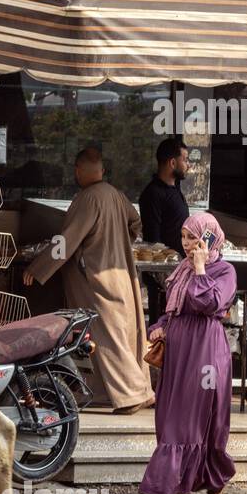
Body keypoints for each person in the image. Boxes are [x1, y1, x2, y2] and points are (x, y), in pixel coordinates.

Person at [23, 147, 154, 414]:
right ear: (102, 170)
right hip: (120, 274)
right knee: (126, 332)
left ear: (78, 170)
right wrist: (118, 244)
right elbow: (136, 222)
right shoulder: (116, 195)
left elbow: (66, 241)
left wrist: (38, 267)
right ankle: (132, 391)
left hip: (96, 279)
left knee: (107, 335)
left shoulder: (87, 198)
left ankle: (130, 395)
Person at [140, 213, 237, 494]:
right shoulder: (181, 269)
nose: (187, 244)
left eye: (194, 237)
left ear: (210, 238)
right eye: (184, 237)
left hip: (204, 355)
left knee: (186, 421)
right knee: (169, 416)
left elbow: (209, 304)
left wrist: (199, 267)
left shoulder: (224, 270)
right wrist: (159, 325)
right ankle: (213, 476)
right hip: (179, 353)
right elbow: (176, 309)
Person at [138, 138, 190, 320]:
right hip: (165, 281)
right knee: (162, 333)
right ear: (172, 162)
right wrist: (165, 280)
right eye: (185, 159)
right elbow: (153, 243)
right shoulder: (152, 194)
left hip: (181, 274)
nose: (188, 165)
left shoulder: (175, 190)